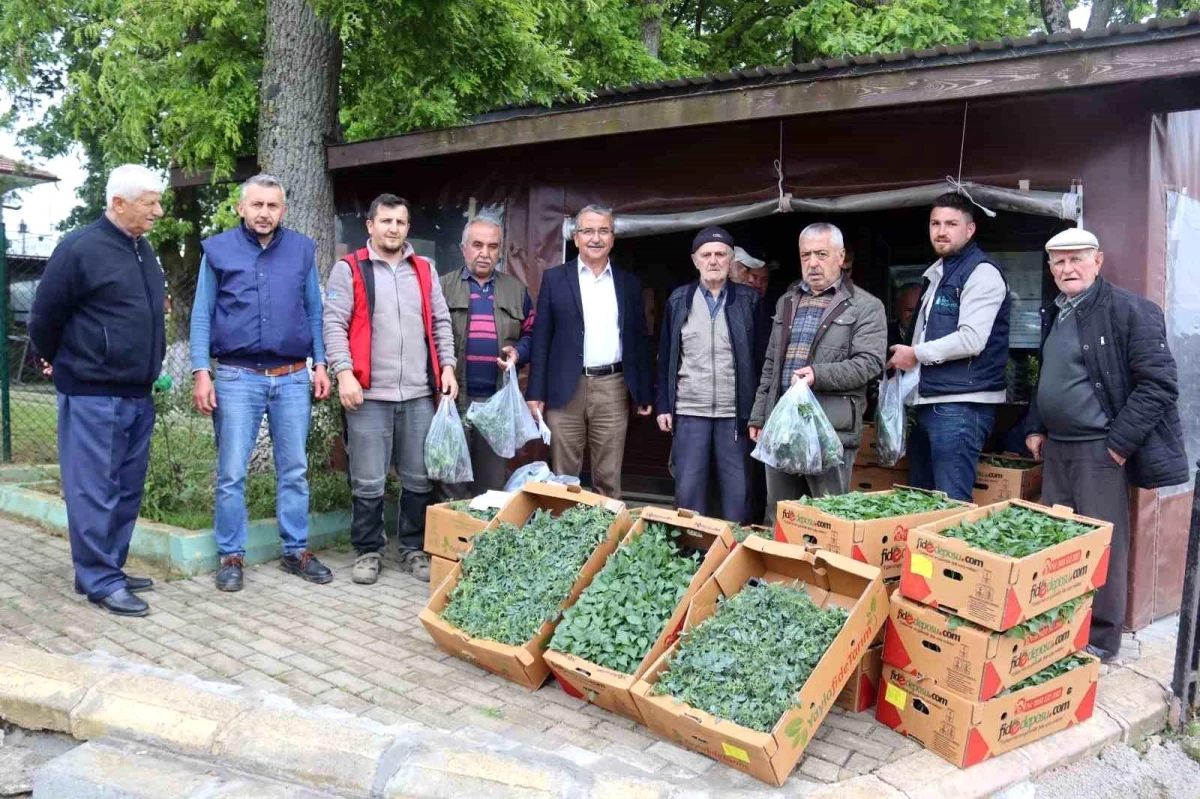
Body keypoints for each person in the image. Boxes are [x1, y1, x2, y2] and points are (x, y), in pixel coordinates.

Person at [1025, 228, 1187, 662]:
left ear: (1098, 261)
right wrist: (1037, 424)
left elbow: (1160, 384)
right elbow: (1051, 375)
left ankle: (1100, 640)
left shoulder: (1131, 311)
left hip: (1100, 450)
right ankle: (1061, 631)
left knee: (1101, 545)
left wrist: (1118, 445)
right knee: (1058, 543)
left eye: (1076, 259)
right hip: (1058, 448)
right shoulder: (1057, 311)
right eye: (1058, 262)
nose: (1067, 268)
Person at [29, 164, 167, 617]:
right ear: (118, 203)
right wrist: (62, 361)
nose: (158, 212)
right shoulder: (79, 249)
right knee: (93, 487)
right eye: (150, 204)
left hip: (136, 392)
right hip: (93, 391)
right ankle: (98, 579)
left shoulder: (142, 250)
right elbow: (44, 318)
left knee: (126, 488)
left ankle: (108, 567)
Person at [190, 174, 333, 593]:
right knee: (232, 473)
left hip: (291, 378)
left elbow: (314, 312)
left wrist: (320, 364)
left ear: (283, 210)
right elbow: (201, 315)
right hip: (236, 378)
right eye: (257, 205)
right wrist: (202, 371)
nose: (264, 213)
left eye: (272, 206)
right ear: (241, 208)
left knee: (294, 470)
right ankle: (231, 555)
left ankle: (295, 551)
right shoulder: (217, 251)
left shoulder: (302, 250)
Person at [323, 194, 458, 585]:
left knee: (418, 477)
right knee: (368, 478)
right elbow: (333, 325)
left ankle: (413, 548)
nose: (392, 228)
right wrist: (344, 373)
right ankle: (368, 550)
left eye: (400, 222)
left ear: (407, 227)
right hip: (368, 393)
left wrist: (447, 367)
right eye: (385, 221)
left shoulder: (424, 270)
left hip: (418, 394)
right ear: (370, 225)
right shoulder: (349, 270)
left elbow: (440, 322)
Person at [750, 223, 886, 523]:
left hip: (829, 431)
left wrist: (818, 374)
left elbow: (870, 363)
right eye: (805, 255)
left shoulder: (866, 306)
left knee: (828, 520)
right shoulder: (786, 301)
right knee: (780, 516)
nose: (812, 263)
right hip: (783, 428)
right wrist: (760, 415)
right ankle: (781, 570)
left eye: (821, 254)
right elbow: (772, 363)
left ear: (841, 257)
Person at [887, 193, 1011, 502]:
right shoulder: (939, 274)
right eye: (936, 223)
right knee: (922, 502)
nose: (942, 231)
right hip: (932, 400)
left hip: (961, 406)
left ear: (970, 230)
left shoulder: (981, 273)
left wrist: (914, 353)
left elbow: (972, 339)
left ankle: (952, 552)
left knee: (950, 505)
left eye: (952, 224)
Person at [527, 205, 653, 498]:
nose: (595, 238)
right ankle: (563, 539)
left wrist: (643, 391)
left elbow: (639, 339)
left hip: (613, 386)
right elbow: (542, 337)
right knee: (564, 476)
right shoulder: (555, 279)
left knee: (608, 475)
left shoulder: (628, 283)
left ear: (613, 237)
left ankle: (606, 539)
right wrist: (535, 393)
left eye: (603, 231)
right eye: (587, 231)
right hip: (564, 387)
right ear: (576, 238)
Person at [656, 227, 762, 522]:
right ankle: (692, 557)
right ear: (695, 260)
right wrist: (664, 404)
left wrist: (758, 411)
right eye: (706, 255)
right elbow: (666, 356)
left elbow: (760, 358)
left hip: (735, 413)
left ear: (730, 260)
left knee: (738, 492)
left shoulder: (748, 301)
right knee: (689, 491)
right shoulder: (680, 300)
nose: (713, 261)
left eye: (720, 254)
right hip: (690, 410)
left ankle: (734, 559)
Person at [439, 213, 535, 496]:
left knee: (491, 485)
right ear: (463, 248)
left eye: (492, 246)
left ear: (500, 251)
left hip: (496, 403)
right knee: (450, 479)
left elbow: (532, 335)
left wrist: (518, 353)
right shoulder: (442, 287)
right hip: (453, 400)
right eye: (477, 245)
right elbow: (428, 338)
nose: (484, 253)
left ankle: (480, 538)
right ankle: (451, 539)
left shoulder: (516, 291)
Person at [887, 283, 923, 348]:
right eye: (910, 310)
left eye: (920, 310)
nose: (916, 316)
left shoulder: (937, 336)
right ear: (897, 310)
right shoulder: (884, 335)